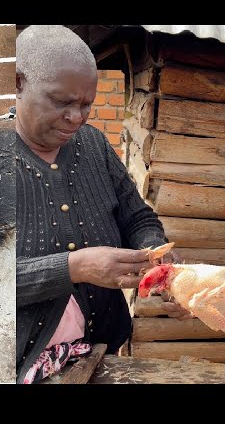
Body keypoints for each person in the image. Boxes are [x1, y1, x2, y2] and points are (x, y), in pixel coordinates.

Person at [15, 25, 185, 384]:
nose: (76, 117)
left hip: (102, 347)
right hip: (22, 360)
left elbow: (137, 217)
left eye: (86, 104)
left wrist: (154, 251)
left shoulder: (92, 144)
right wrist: (74, 268)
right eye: (62, 102)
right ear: (18, 83)